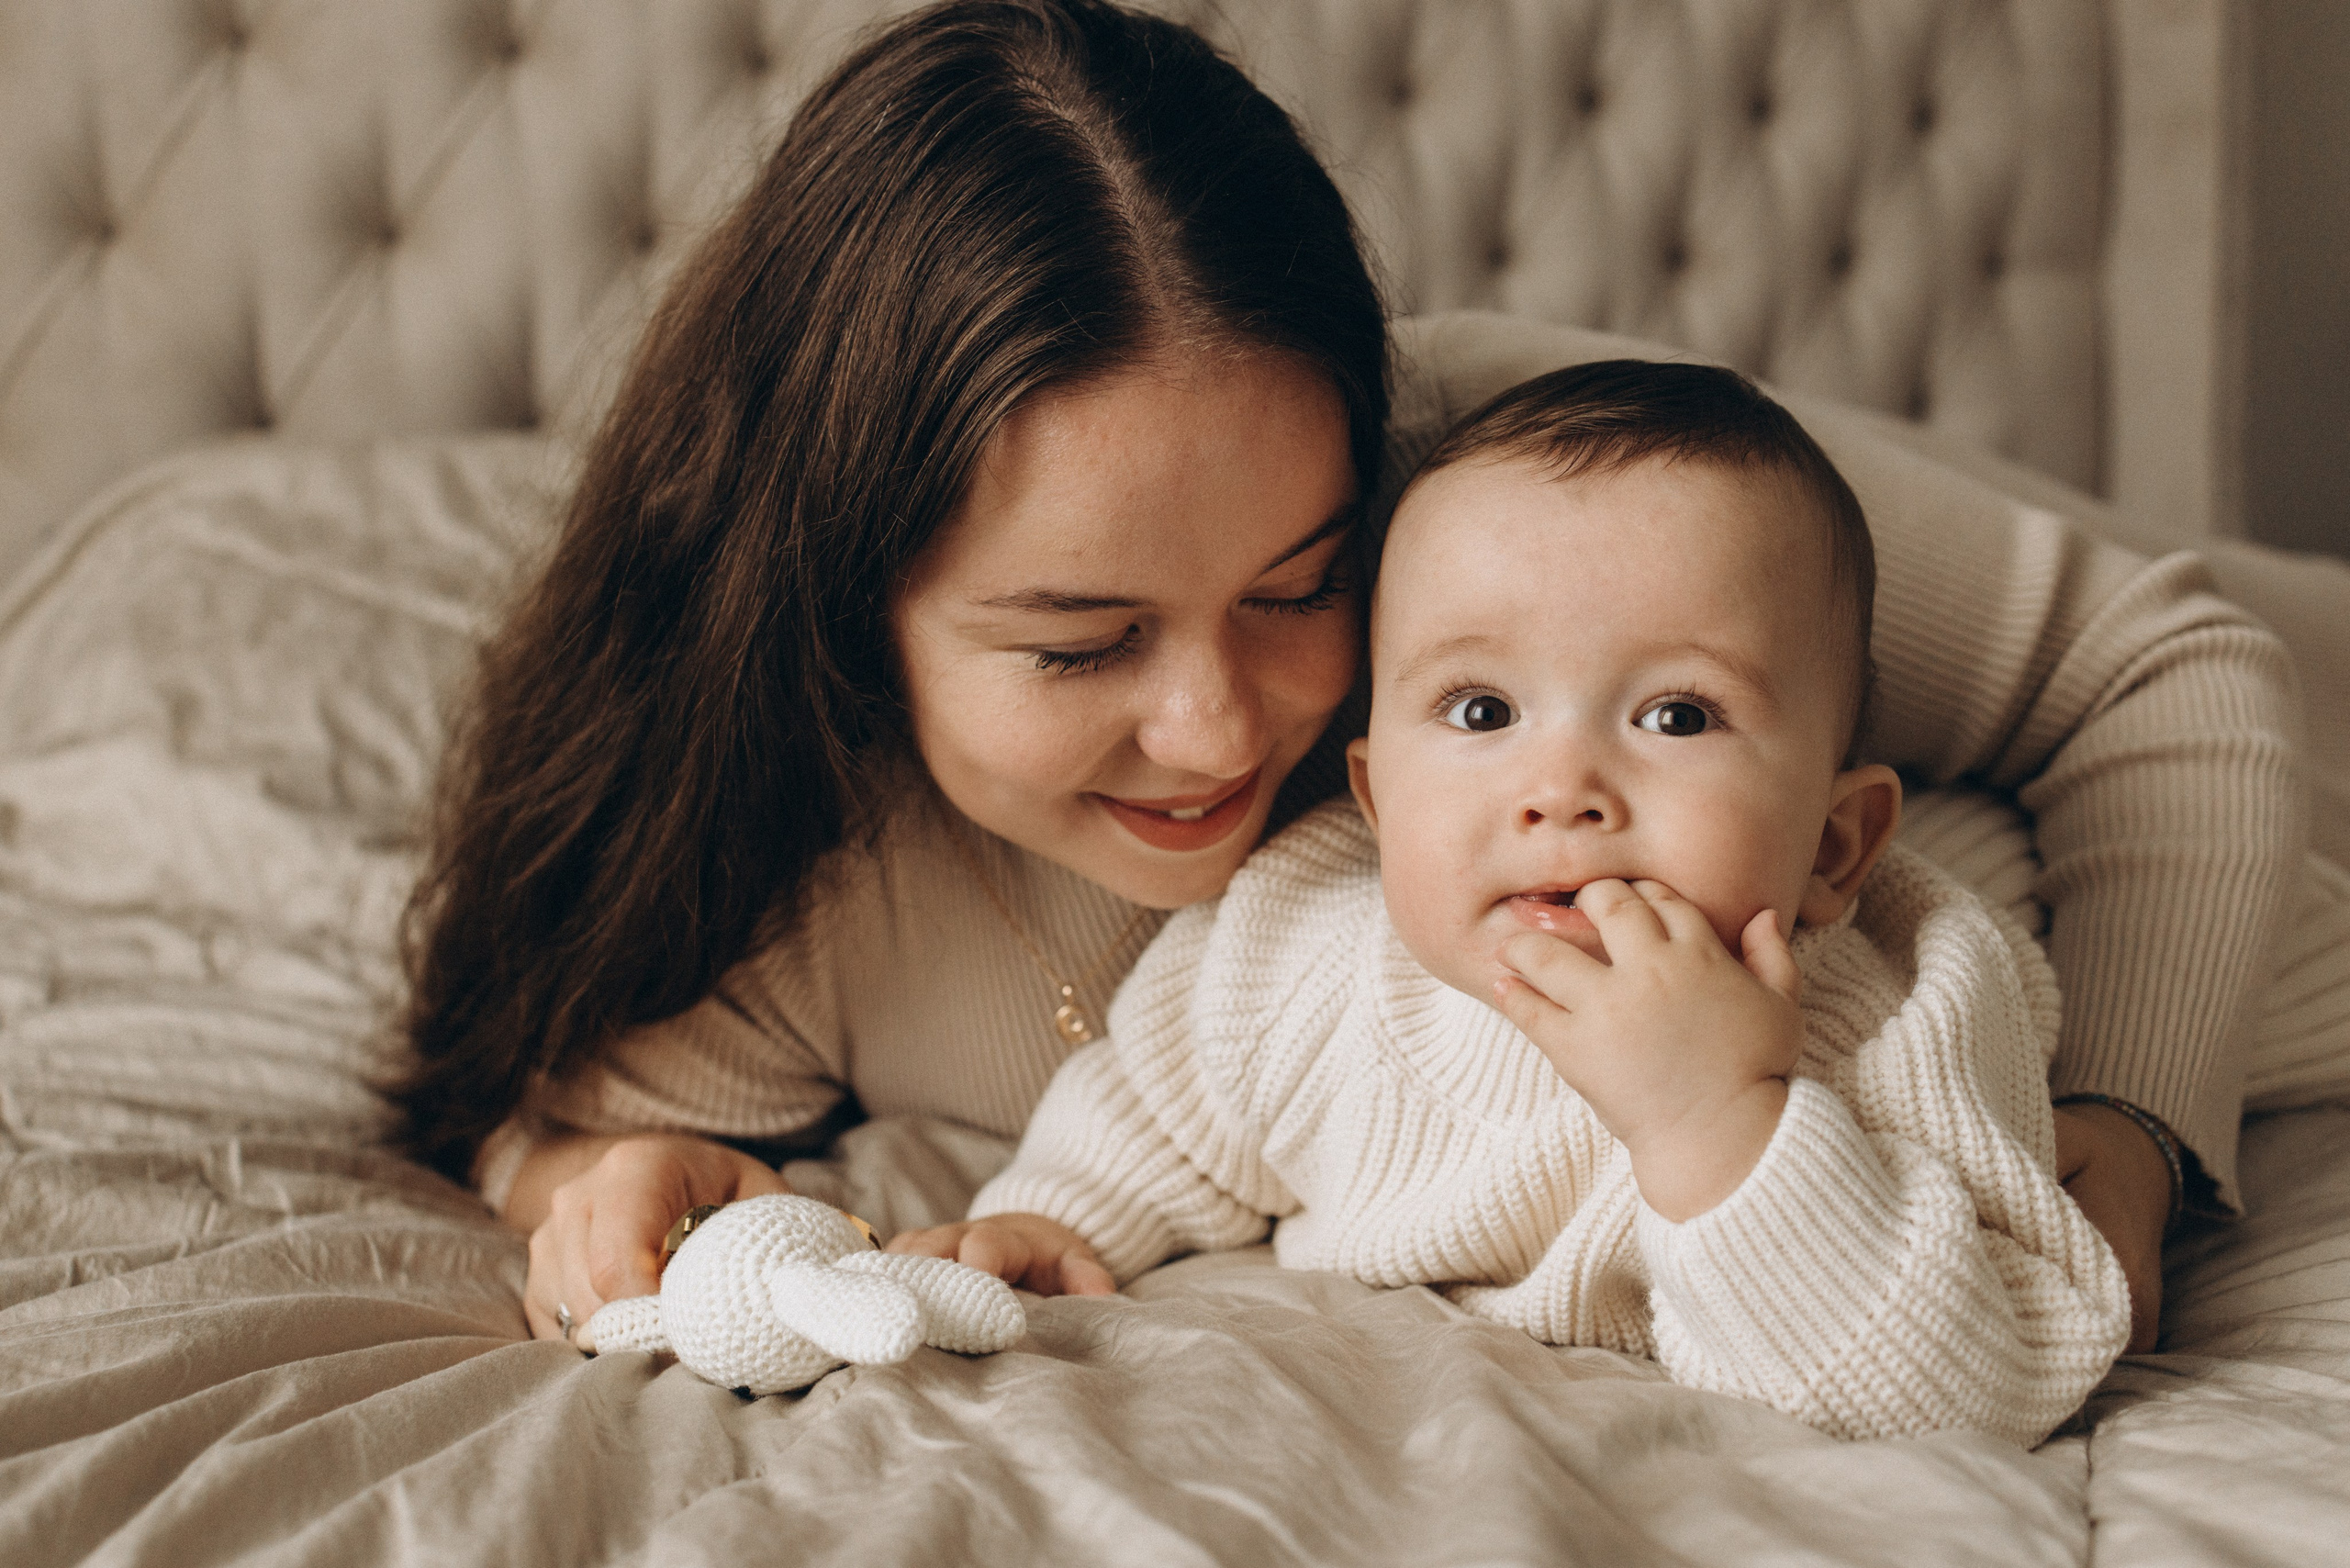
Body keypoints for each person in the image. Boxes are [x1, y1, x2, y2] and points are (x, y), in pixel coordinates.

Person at [389, 0, 2301, 1358]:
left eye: (1303, 586)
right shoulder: (786, 852)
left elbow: (2165, 668)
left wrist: (2129, 1130)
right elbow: (572, 1104)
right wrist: (584, 1180)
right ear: (833, 600)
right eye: (1082, 641)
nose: (1222, 729)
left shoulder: (1540, 513)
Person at [893, 362, 2132, 1443]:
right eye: (1482, 710)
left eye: (1677, 715)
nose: (1562, 789)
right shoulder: (1299, 947)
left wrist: (1719, 1122)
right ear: (1377, 803)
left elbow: (1972, 1386)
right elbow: (1155, 1117)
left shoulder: (1904, 1013)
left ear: (1835, 845)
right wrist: (1049, 1218)